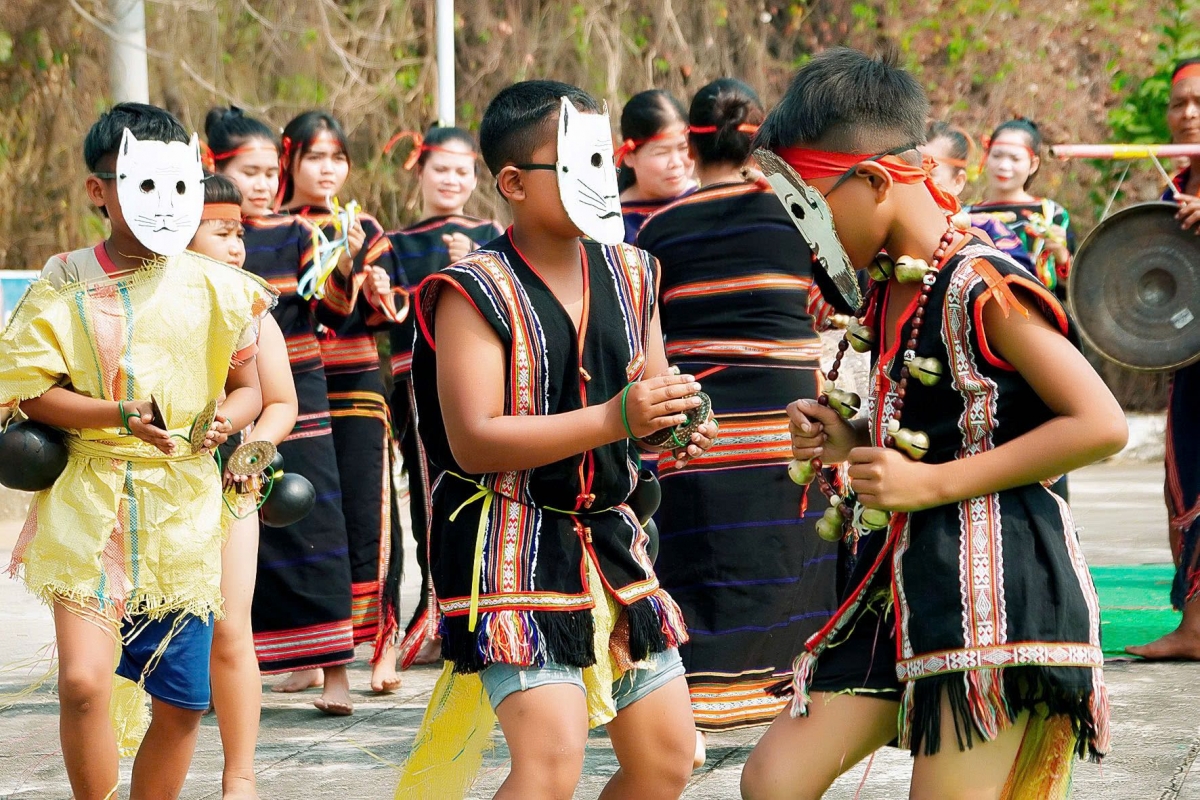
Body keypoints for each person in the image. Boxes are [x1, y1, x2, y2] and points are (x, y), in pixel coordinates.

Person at [739, 48, 1126, 800]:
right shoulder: (891, 287)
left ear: (877, 180)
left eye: (808, 206)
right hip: (903, 585)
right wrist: (851, 444)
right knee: (772, 780)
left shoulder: (979, 279)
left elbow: (1100, 423)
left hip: (995, 591)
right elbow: (937, 429)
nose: (803, 233)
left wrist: (931, 481)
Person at [396, 79, 717, 800]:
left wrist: (677, 423)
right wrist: (617, 418)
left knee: (667, 763)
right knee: (549, 765)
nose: (600, 177)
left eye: (605, 159)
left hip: (610, 539)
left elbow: (649, 401)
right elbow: (475, 440)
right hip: (508, 541)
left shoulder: (636, 272)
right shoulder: (469, 289)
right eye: (578, 161)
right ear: (513, 182)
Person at [0, 102, 274, 800]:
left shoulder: (218, 286)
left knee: (182, 703)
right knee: (83, 682)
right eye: (144, 185)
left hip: (184, 515)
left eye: (180, 186)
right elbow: (28, 390)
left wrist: (226, 422)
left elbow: (249, 387)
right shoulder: (64, 278)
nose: (167, 202)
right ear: (101, 189)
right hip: (89, 507)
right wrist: (114, 414)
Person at [635, 78, 837, 763]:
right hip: (787, 416)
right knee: (789, 548)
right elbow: (847, 291)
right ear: (765, 137)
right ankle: (792, 684)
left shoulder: (658, 227)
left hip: (703, 425)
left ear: (690, 145)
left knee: (705, 554)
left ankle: (701, 693)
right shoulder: (798, 206)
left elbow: (649, 331)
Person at [204, 106, 359, 718]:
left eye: (273, 171)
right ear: (215, 170)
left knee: (314, 524)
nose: (266, 184)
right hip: (228, 405)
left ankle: (335, 670)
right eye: (252, 170)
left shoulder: (302, 233)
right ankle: (237, 667)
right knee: (246, 551)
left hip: (299, 392)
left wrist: (348, 269)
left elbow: (337, 309)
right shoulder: (193, 243)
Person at [278, 110, 407, 709]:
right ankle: (310, 653)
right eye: (314, 158)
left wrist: (366, 274)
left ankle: (380, 643)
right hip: (295, 389)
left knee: (367, 513)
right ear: (290, 162)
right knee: (301, 517)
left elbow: (390, 314)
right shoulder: (270, 229)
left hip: (355, 382)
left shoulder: (366, 226)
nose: (327, 169)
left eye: (337, 158)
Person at [187, 171, 298, 800]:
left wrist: (254, 448)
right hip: (145, 482)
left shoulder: (252, 309)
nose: (236, 246)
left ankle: (240, 776)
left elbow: (278, 402)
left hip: (230, 481)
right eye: (221, 232)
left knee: (232, 627)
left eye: (240, 235)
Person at [382, 125, 503, 668]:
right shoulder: (397, 243)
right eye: (442, 169)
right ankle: (437, 612)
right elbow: (386, 316)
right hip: (419, 384)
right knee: (431, 496)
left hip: (493, 382)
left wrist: (476, 257)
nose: (453, 179)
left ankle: (487, 609)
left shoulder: (494, 233)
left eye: (463, 170)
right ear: (420, 171)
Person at [1126, 57, 1200, 661]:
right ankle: (1196, 625)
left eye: (1199, 101)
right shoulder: (1174, 187)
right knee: (1187, 489)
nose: (1188, 114)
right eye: (1178, 104)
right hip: (1192, 361)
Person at [969, 118, 1075, 298]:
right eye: (996, 156)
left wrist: (1061, 256)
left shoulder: (1051, 214)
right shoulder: (965, 215)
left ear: (1033, 164)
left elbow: (1074, 290)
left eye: (1015, 158)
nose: (1003, 166)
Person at [918, 121, 1035, 273]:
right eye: (908, 171)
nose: (917, 182)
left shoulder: (989, 230)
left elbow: (1019, 290)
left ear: (958, 182)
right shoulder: (888, 228)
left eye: (929, 174)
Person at [618, 89, 696, 243]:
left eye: (683, 148)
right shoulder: (612, 225)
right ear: (629, 156)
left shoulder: (705, 202)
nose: (676, 163)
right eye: (662, 152)